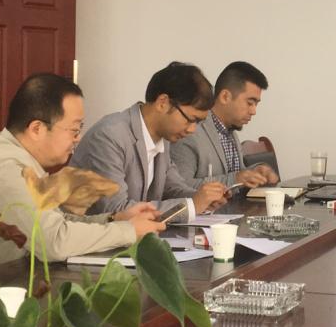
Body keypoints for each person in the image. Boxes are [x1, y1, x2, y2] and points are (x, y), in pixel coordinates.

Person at [0, 73, 163, 272]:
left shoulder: (17, 158)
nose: (78, 138)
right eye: (74, 129)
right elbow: (53, 242)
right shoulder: (5, 169)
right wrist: (128, 231)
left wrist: (115, 218)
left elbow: (57, 223)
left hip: (1, 282)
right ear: (37, 129)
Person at [71, 62, 229, 218]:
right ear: (163, 103)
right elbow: (118, 210)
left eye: (198, 123)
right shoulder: (110, 136)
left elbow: (172, 189)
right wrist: (192, 205)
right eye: (190, 119)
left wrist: (203, 199)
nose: (192, 129)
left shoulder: (163, 137)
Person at [169, 61, 279, 189]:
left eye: (256, 104)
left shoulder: (230, 131)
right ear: (225, 96)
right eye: (250, 103)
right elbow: (179, 187)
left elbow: (236, 174)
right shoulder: (188, 131)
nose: (253, 111)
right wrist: (235, 179)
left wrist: (257, 171)